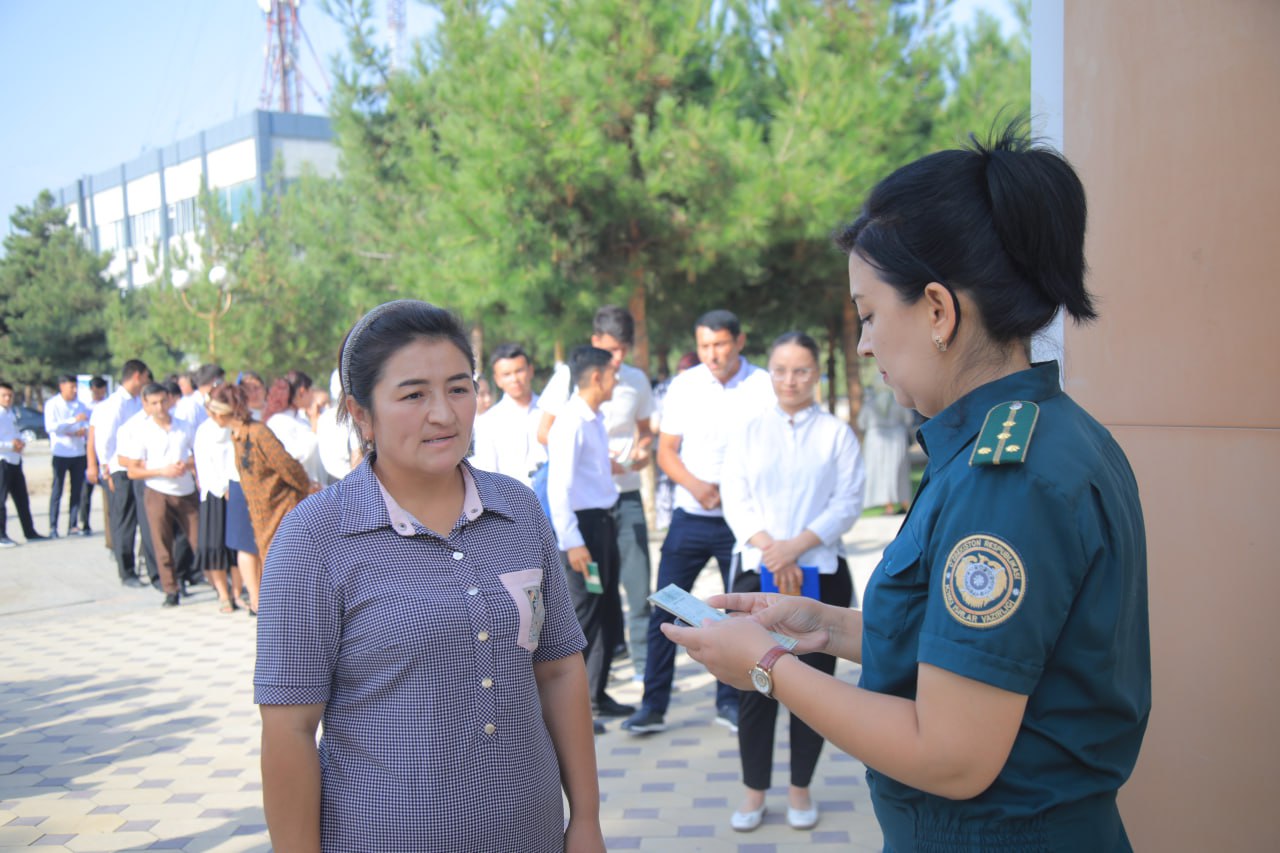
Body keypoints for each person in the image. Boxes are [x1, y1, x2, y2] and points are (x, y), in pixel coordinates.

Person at [662, 124, 1151, 851]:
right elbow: (984, 653)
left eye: (866, 315)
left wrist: (763, 668)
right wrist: (824, 627)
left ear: (937, 310)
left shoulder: (1006, 482)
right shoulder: (1043, 437)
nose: (860, 344)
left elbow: (950, 754)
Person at [255, 299, 604, 852]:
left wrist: (585, 819)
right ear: (361, 412)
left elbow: (559, 670)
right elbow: (289, 730)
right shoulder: (315, 539)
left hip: (528, 833)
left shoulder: (517, 510)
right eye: (413, 394)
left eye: (459, 388)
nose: (443, 413)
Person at [719, 331, 865, 832]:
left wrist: (794, 547)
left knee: (814, 682)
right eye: (780, 369)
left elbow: (848, 501)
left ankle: (801, 786)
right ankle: (753, 789)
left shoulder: (836, 434)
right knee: (752, 681)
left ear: (816, 375)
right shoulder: (749, 431)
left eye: (801, 370)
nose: (789, 380)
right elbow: (734, 497)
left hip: (818, 571)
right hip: (754, 569)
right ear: (769, 371)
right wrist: (769, 547)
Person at [622, 309, 775, 736]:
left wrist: (735, 493)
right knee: (667, 607)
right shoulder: (685, 385)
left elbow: (772, 450)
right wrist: (699, 486)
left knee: (735, 614)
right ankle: (653, 704)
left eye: (721, 344)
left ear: (739, 342)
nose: (713, 354)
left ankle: (729, 701)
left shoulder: (762, 385)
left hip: (742, 523)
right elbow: (667, 451)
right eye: (705, 345)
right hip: (691, 515)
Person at [537, 306, 657, 675]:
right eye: (610, 357)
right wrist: (572, 540)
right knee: (586, 604)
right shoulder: (570, 409)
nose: (616, 367)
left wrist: (634, 457)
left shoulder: (618, 397)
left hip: (613, 508)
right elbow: (556, 473)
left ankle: (609, 684)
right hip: (582, 519)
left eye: (623, 350)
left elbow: (645, 432)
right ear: (594, 375)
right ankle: (582, 693)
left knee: (616, 597)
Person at [546, 345, 631, 731]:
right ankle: (575, 706)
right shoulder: (571, 422)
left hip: (603, 524)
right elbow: (558, 489)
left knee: (608, 609)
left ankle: (596, 694)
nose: (617, 380)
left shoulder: (594, 418)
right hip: (582, 532)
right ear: (596, 376)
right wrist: (573, 542)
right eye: (613, 373)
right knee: (587, 614)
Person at [212, 384, 311, 614]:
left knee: (285, 569)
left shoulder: (258, 433)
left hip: (281, 508)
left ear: (224, 412)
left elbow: (287, 465)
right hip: (261, 513)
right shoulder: (237, 435)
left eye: (214, 410)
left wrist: (304, 489)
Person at [118, 383, 199, 608]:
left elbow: (198, 455)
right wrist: (161, 470)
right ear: (146, 404)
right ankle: (170, 589)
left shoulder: (184, 426)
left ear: (170, 400)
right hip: (157, 490)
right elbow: (132, 470)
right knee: (161, 543)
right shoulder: (141, 431)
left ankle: (202, 577)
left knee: (197, 539)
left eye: (163, 401)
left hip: (185, 489)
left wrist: (187, 464)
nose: (160, 407)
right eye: (154, 403)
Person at [92, 359, 153, 585]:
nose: (147, 380)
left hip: (138, 468)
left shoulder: (137, 402)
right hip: (120, 470)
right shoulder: (114, 404)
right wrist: (106, 470)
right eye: (146, 376)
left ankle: (143, 566)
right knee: (124, 521)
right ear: (137, 376)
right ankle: (126, 571)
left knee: (140, 519)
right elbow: (104, 441)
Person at [471, 343, 545, 486]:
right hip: (510, 504)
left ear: (530, 371)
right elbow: (487, 474)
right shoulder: (488, 422)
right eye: (506, 374)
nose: (514, 379)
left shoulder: (550, 413)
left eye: (519, 371)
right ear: (497, 379)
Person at [194, 393, 241, 612]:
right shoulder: (204, 431)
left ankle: (238, 592)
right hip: (214, 493)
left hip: (236, 488)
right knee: (214, 546)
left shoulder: (235, 427)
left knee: (235, 546)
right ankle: (223, 594)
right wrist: (222, 487)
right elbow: (204, 465)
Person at [858, 371, 915, 514]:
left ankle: (888, 505)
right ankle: (904, 503)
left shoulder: (870, 403)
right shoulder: (898, 401)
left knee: (881, 471)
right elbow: (909, 419)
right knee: (899, 469)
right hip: (896, 438)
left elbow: (861, 423)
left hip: (875, 440)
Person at [0, 382, 48, 547]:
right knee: (1, 500)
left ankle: (30, 531)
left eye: (10, 395)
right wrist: (10, 445)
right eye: (4, 395)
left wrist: (19, 443)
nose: (7, 399)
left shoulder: (10, 413)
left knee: (22, 499)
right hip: (3, 461)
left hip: (15, 460)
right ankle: (1, 535)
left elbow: (13, 434)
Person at [44, 374, 91, 537]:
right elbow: (51, 427)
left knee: (77, 490)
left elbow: (87, 423)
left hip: (78, 452)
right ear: (62, 387)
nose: (74, 390)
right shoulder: (52, 404)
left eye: (75, 386)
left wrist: (82, 429)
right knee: (57, 490)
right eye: (71, 387)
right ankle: (52, 526)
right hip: (61, 453)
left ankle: (73, 525)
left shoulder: (81, 405)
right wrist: (72, 422)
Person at [264, 370, 324, 487]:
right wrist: (314, 425)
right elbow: (297, 455)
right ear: (302, 391)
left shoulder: (299, 418)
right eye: (310, 391)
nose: (312, 395)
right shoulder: (279, 421)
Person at [79, 376, 109, 537]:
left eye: (101, 390)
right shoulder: (83, 407)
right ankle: (84, 523)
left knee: (108, 489)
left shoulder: (109, 405)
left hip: (104, 451)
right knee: (86, 490)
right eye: (96, 390)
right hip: (89, 450)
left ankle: (110, 525)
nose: (98, 393)